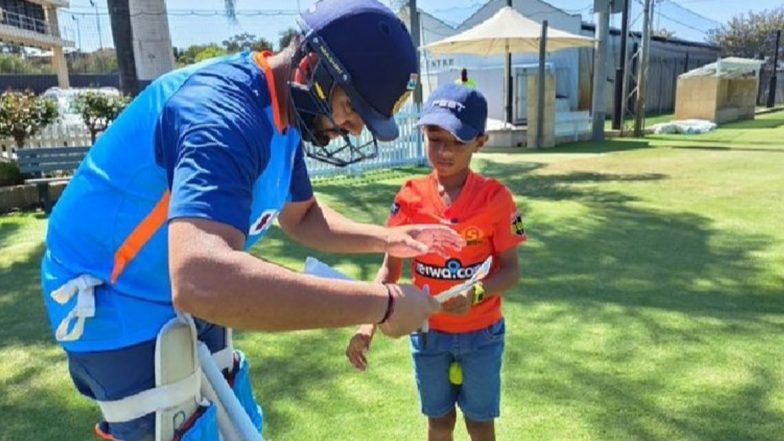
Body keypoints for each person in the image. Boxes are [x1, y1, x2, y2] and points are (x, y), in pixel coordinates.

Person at [40, 0, 466, 440]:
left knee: (235, 423)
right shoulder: (222, 114)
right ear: (313, 66)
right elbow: (201, 279)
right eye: (350, 107)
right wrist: (385, 303)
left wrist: (389, 238)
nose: (354, 129)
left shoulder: (281, 110)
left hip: (165, 287)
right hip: (113, 295)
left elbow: (303, 217)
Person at [345, 83, 526, 441]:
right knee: (438, 423)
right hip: (428, 335)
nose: (443, 151)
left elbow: (511, 270)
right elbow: (389, 270)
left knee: (479, 423)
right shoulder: (410, 197)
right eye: (434, 138)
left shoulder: (497, 198)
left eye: (457, 141)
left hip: (482, 335)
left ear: (480, 142)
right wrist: (366, 328)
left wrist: (475, 294)